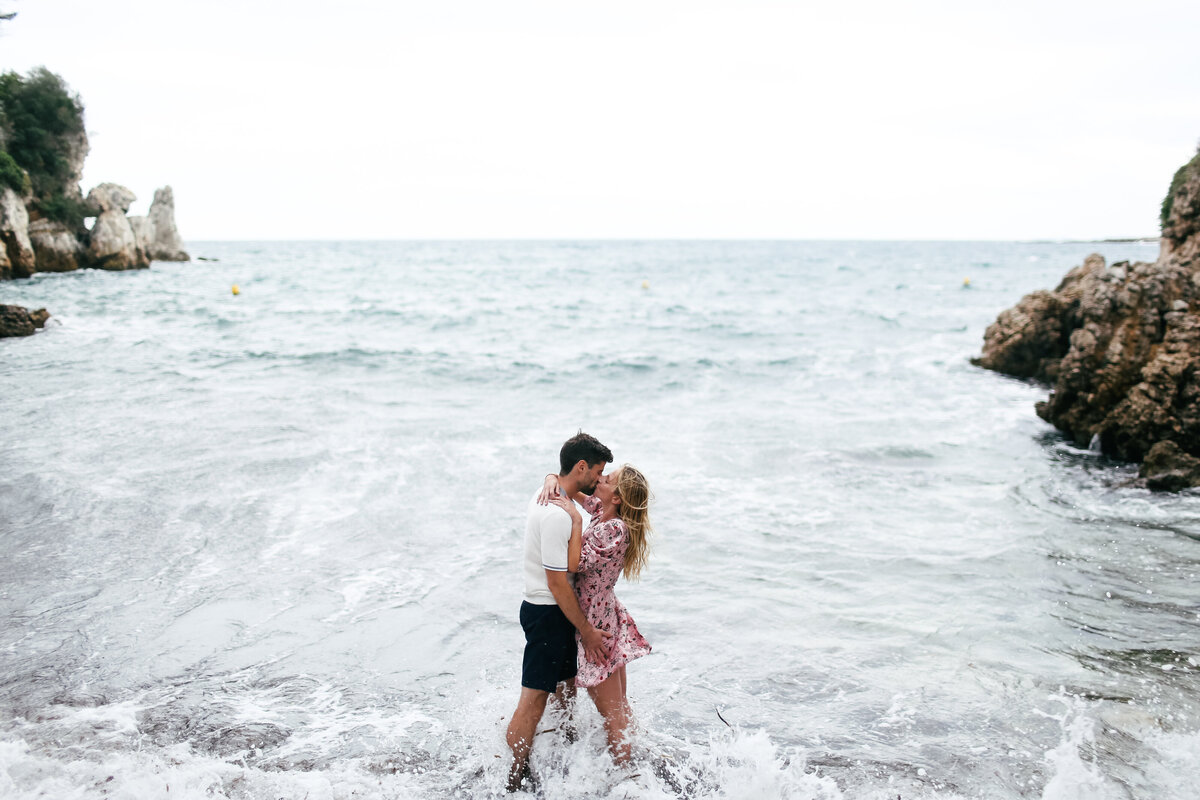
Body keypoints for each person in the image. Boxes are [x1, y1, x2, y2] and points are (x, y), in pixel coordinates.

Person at [505, 432, 614, 793]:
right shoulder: (557, 515)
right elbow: (557, 584)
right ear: (581, 467)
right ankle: (513, 776)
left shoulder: (556, 494)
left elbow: (559, 482)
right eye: (597, 473)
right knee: (534, 699)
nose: (599, 481)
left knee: (566, 688)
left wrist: (550, 476)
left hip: (557, 614)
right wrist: (586, 629)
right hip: (547, 612)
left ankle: (561, 750)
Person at [537, 463, 653, 766]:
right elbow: (574, 489)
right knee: (618, 708)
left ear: (616, 497)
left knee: (613, 713)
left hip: (597, 625)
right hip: (603, 614)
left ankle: (626, 775)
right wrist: (552, 477)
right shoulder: (606, 513)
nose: (599, 479)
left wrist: (575, 521)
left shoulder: (613, 528)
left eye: (607, 479)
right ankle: (632, 762)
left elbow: (574, 564)